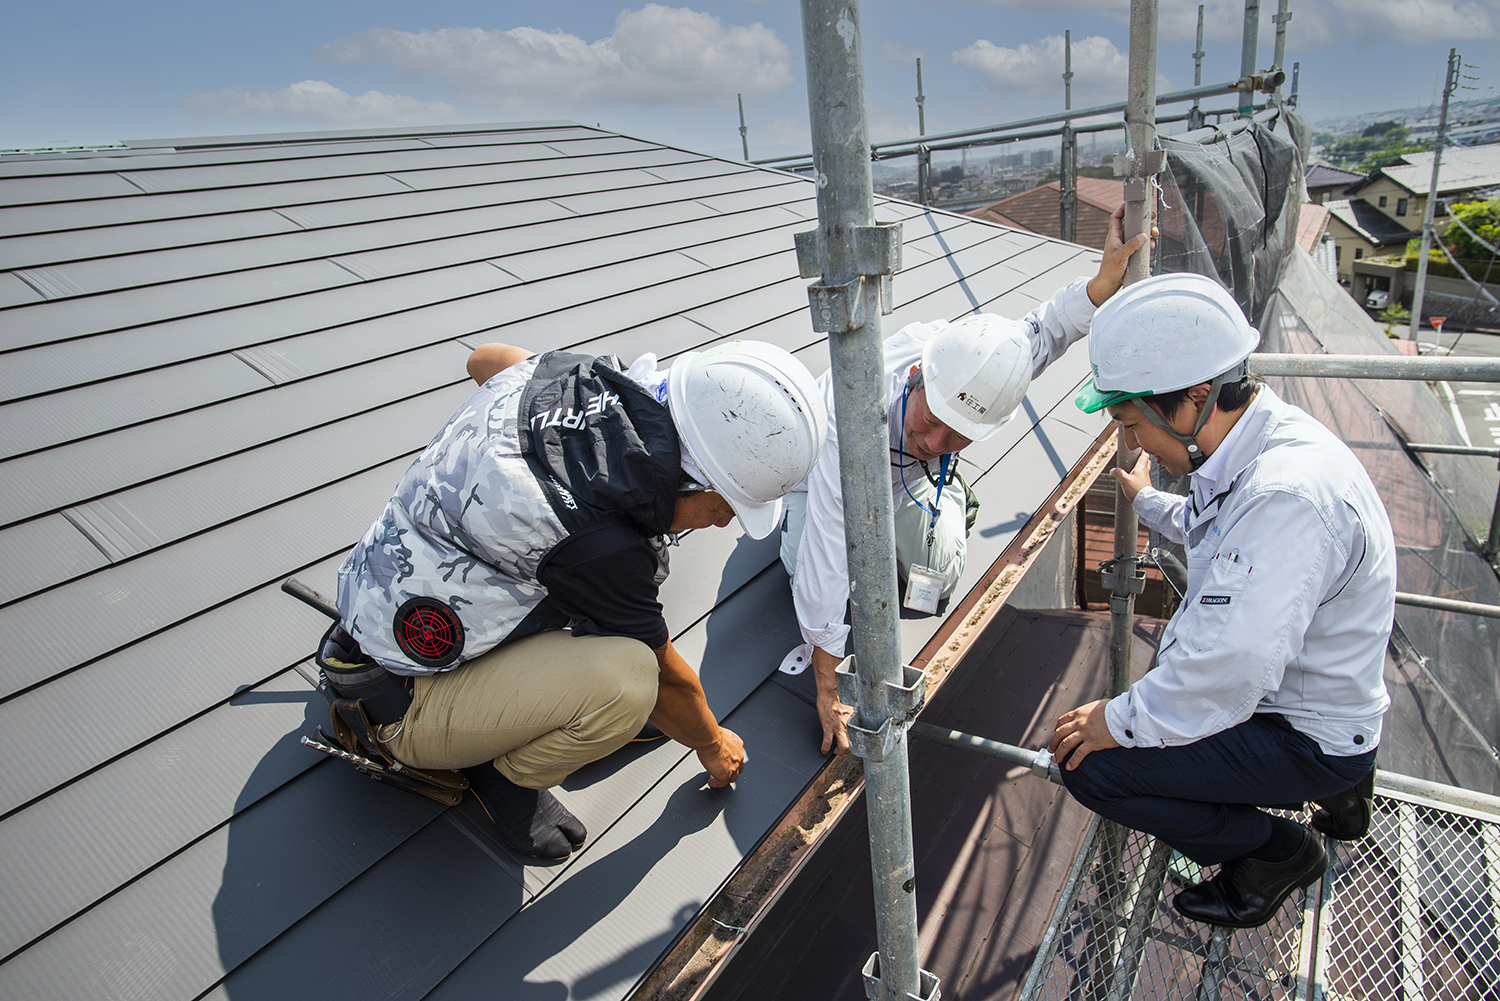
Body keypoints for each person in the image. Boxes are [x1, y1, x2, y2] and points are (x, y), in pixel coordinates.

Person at [320, 339, 827, 861]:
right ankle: (506, 779)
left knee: (623, 604)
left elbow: (486, 361)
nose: (723, 522)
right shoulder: (599, 544)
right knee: (629, 682)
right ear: (689, 482)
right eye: (724, 507)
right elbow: (669, 681)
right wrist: (713, 744)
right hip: (395, 698)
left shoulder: (563, 381)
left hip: (376, 610)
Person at [1048, 272, 1395, 928]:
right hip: (1321, 703)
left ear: (1194, 398)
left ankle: (1275, 853)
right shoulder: (1259, 445)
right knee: (1147, 720)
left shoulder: (1286, 498)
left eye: (1131, 420)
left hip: (1302, 733)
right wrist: (1147, 500)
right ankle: (1345, 791)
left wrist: (1118, 721)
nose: (1133, 440)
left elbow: (1231, 664)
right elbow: (1221, 532)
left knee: (1091, 767)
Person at [784, 205, 1150, 757]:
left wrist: (1100, 287)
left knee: (939, 565)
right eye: (930, 422)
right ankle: (917, 501)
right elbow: (830, 550)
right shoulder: (848, 412)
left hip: (901, 480)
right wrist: (827, 687)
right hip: (817, 475)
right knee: (803, 566)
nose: (934, 442)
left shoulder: (983, 360)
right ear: (914, 377)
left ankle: (945, 493)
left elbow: (1044, 331)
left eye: (956, 438)